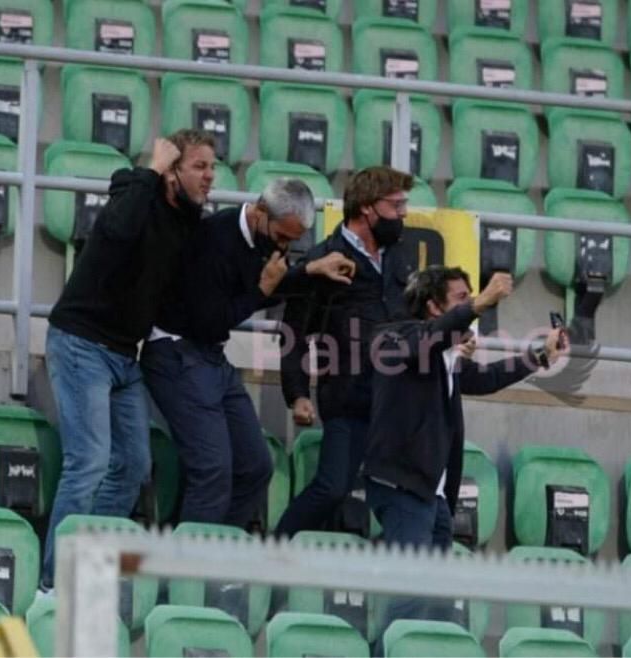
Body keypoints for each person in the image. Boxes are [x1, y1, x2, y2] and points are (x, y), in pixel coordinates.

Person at [42, 130, 216, 588]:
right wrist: (149, 171)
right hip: (81, 344)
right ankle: (52, 583)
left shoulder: (189, 222)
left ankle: (87, 565)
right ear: (172, 171)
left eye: (212, 168)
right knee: (89, 462)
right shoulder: (131, 191)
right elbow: (117, 233)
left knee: (135, 465)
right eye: (199, 167)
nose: (210, 177)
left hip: (124, 355)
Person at [141, 179, 356, 527]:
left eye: (292, 240)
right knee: (212, 470)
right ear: (259, 214)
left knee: (255, 466)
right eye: (283, 237)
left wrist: (310, 272)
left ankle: (219, 557)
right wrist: (262, 290)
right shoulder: (212, 240)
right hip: (176, 351)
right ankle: (186, 574)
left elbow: (270, 284)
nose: (285, 246)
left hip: (210, 356)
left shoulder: (262, 238)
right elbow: (213, 318)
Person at [364, 265, 564, 634]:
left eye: (472, 297)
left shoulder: (446, 355)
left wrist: (540, 356)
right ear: (432, 307)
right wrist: (482, 303)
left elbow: (485, 378)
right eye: (462, 299)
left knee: (435, 597)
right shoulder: (394, 336)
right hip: (403, 486)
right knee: (411, 593)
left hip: (433, 494)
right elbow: (426, 339)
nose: (471, 305)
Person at [276, 165, 415, 538]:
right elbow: (294, 330)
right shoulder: (324, 257)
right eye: (396, 205)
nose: (403, 214)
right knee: (333, 488)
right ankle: (271, 553)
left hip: (397, 399)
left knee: (411, 497)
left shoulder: (398, 256)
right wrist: (298, 393)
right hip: (349, 395)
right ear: (368, 208)